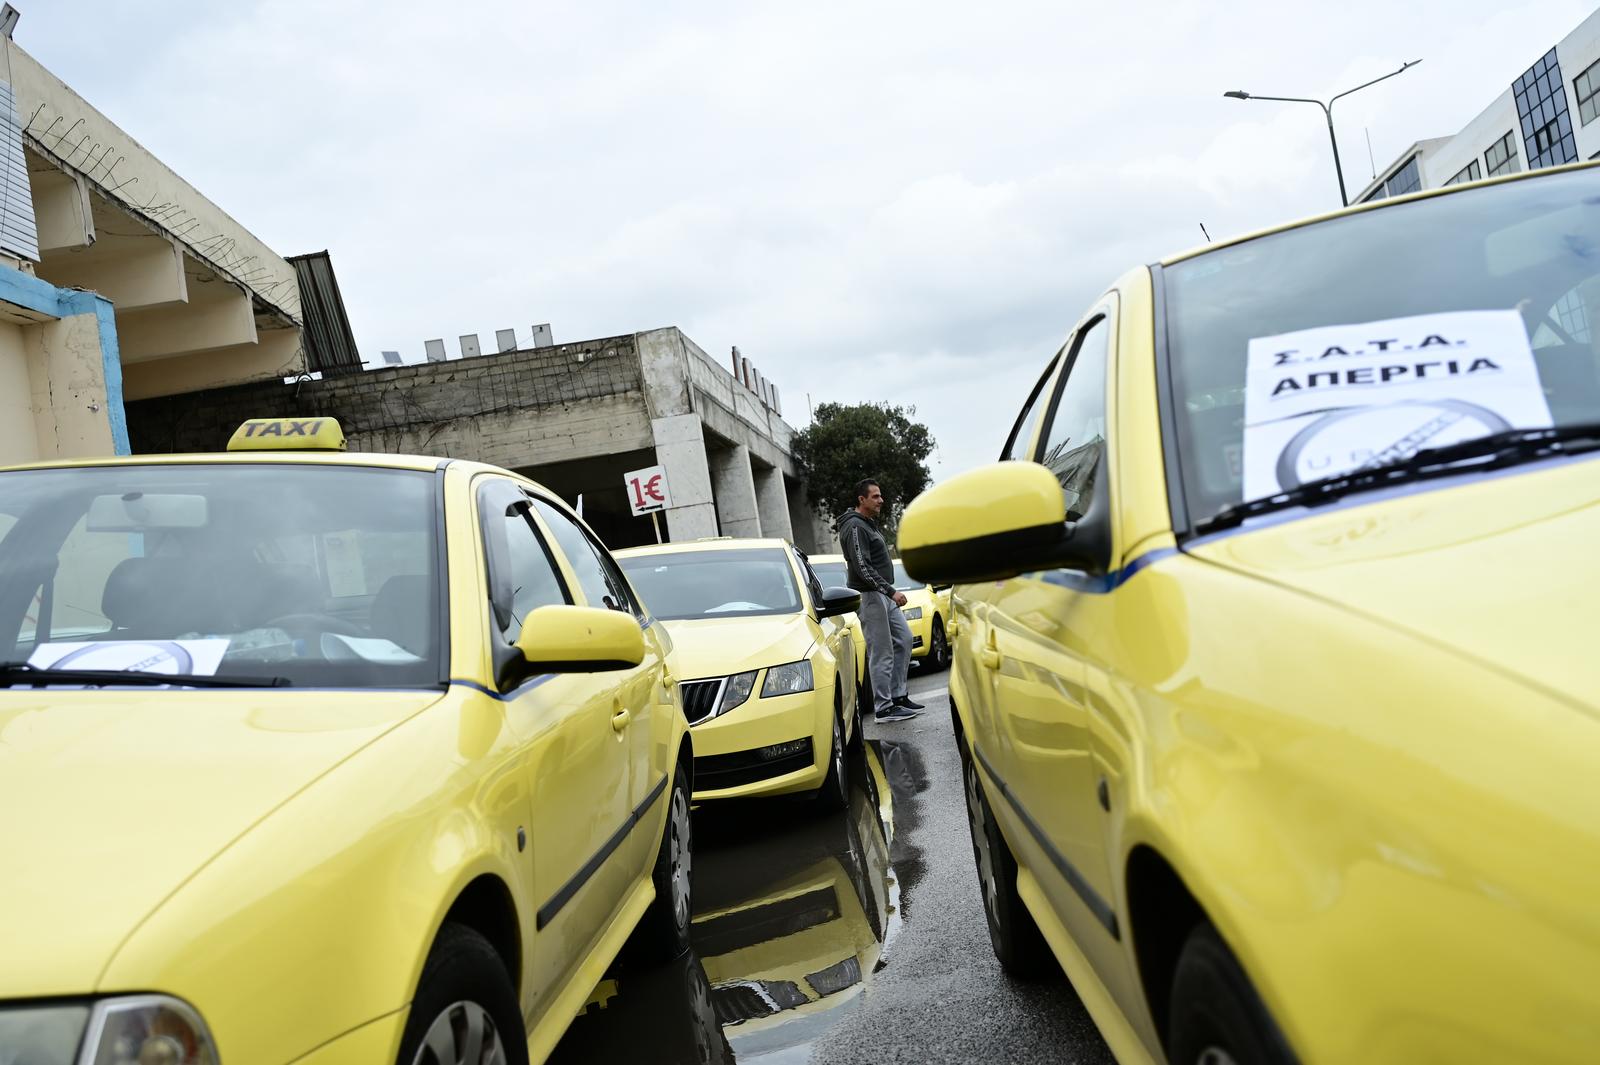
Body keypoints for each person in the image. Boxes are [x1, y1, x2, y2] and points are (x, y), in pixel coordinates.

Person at [836, 478, 923, 723]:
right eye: (875, 496)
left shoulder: (867, 524)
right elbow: (862, 567)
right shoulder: (854, 526)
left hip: (883, 594)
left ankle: (898, 696)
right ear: (861, 500)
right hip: (871, 595)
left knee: (904, 639)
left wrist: (888, 592)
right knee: (881, 651)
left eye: (880, 495)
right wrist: (891, 591)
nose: (880, 500)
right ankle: (884, 708)